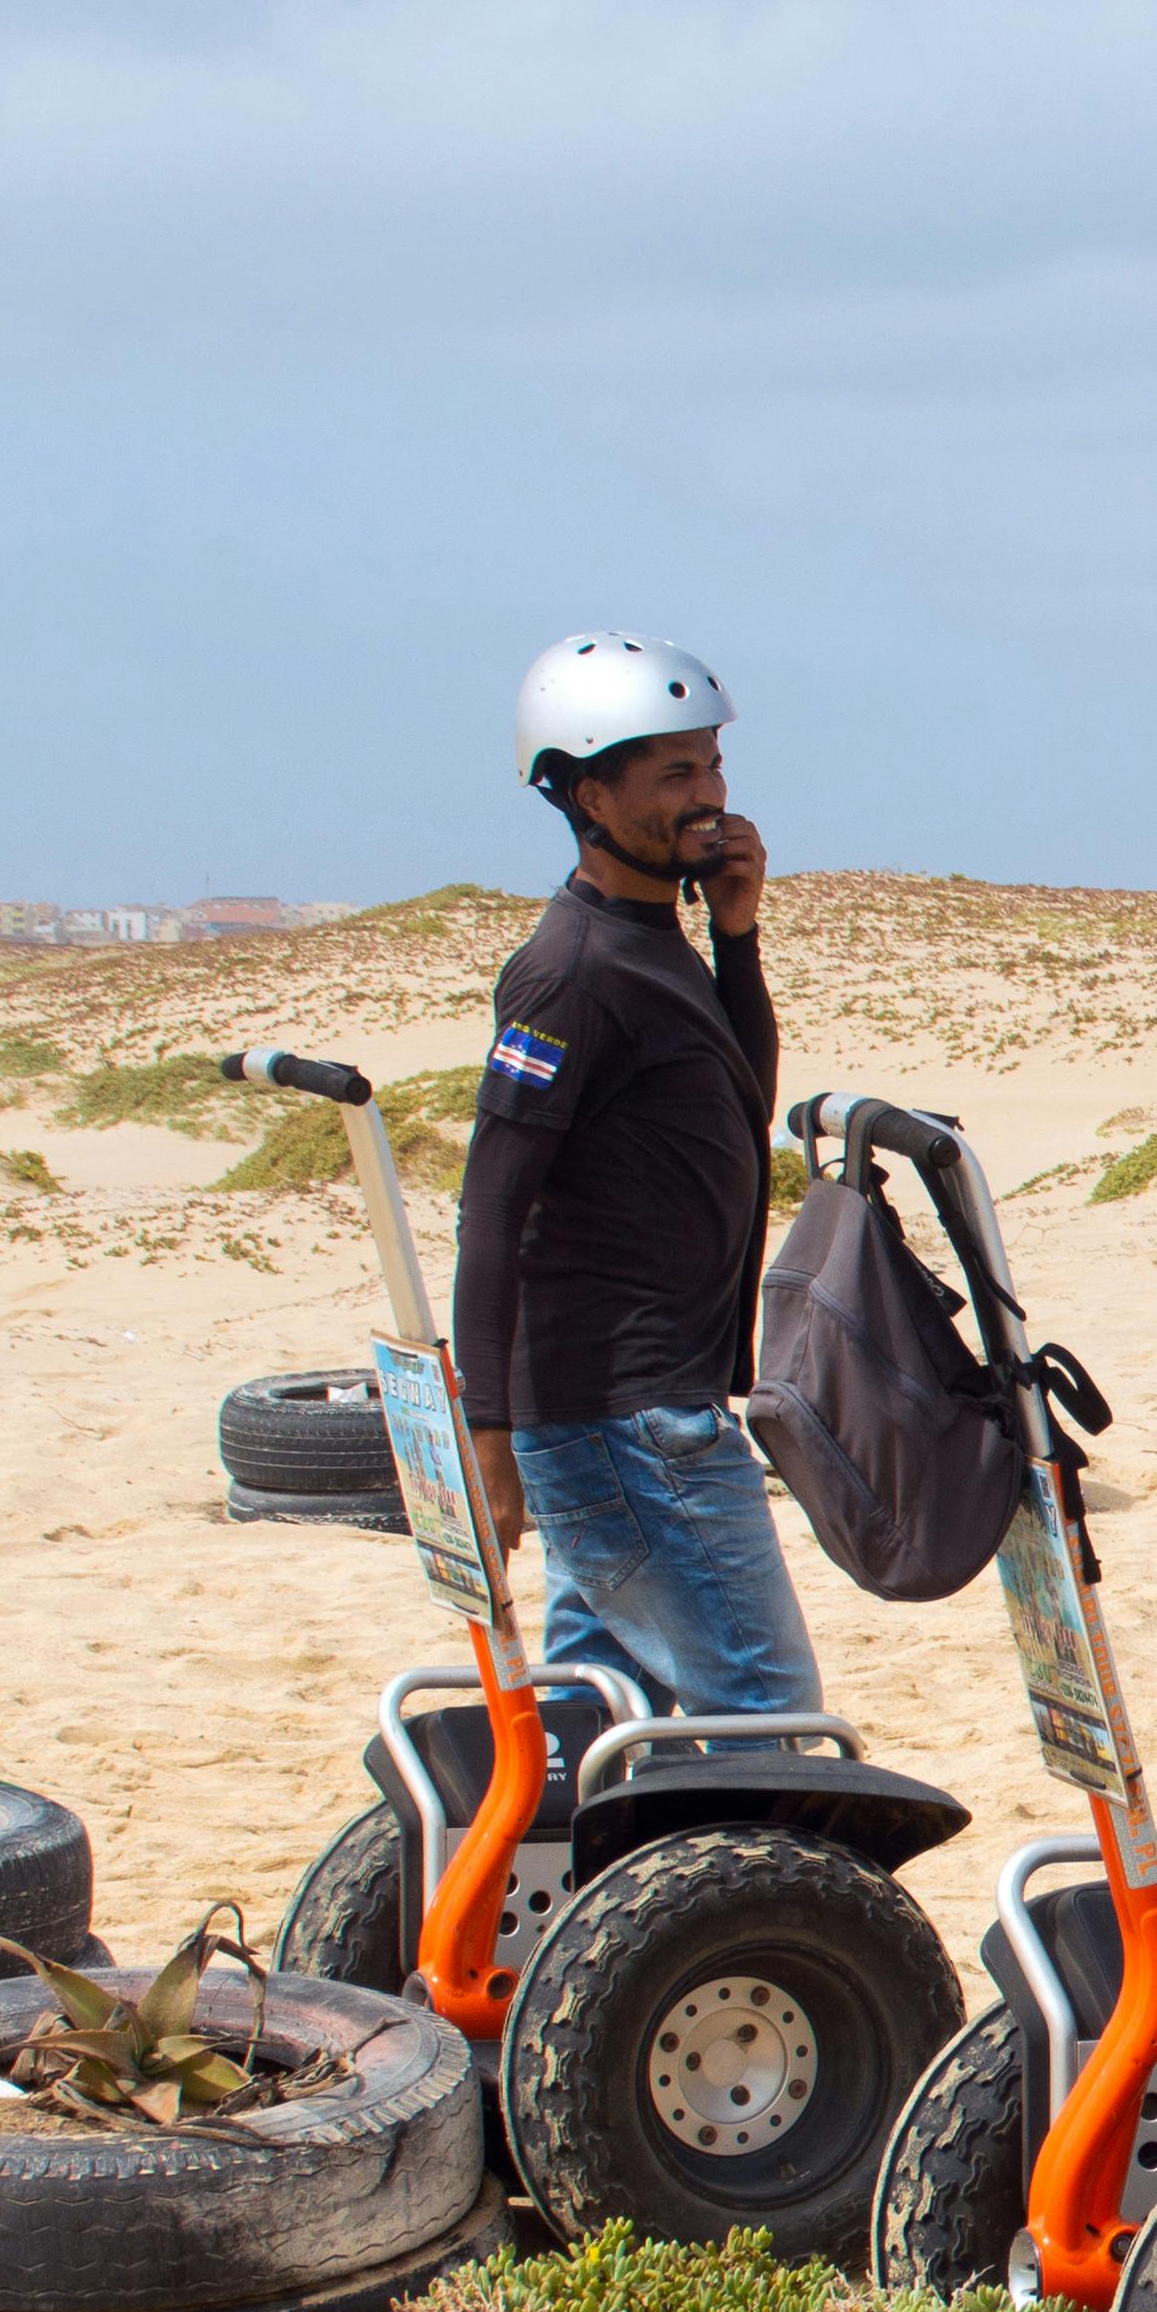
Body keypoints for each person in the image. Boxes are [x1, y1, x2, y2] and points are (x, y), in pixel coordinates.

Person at [450, 632, 822, 1719]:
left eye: (712, 766)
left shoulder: (659, 941)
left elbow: (740, 1108)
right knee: (766, 1711)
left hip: (651, 1406)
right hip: (630, 1416)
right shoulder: (568, 972)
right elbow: (492, 1204)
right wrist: (489, 1441)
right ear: (586, 794)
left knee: (610, 1719)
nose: (709, 797)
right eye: (674, 774)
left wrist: (738, 939)